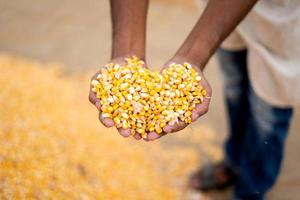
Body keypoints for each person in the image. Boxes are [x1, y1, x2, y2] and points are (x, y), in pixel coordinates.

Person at [89, 0, 300, 199]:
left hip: (279, 13)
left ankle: (251, 188)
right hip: (215, 12)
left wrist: (192, 55)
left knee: (268, 108)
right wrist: (127, 51)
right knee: (234, 82)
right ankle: (234, 161)